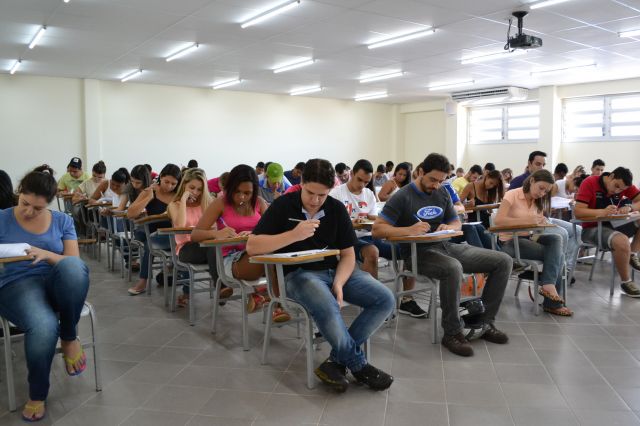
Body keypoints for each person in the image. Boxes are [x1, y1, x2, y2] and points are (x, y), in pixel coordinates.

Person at [247, 158, 395, 392]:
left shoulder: (335, 208)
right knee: (327, 304)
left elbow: (348, 254)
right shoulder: (283, 205)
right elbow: (252, 246)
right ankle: (359, 365)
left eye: (322, 195)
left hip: (335, 271)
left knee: (385, 299)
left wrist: (339, 283)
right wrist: (293, 235)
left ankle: (335, 362)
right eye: (310, 193)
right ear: (301, 183)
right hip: (299, 275)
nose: (315, 201)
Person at [372, 153, 512, 357]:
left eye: (441, 180)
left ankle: (484, 323)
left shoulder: (443, 192)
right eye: (432, 179)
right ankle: (452, 332)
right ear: (420, 172)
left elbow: (456, 222)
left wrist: (450, 226)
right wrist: (408, 230)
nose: (436, 185)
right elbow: (377, 229)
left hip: (445, 246)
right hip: (417, 254)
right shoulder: (402, 196)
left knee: (503, 261)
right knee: (452, 268)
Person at [0, 165, 89, 422]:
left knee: (73, 267)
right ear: (19, 192)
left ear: (49, 203)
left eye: (38, 208)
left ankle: (69, 336)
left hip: (55, 281)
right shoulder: (2, 218)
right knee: (43, 325)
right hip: (17, 283)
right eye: (25, 203)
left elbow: (73, 261)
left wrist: (46, 254)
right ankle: (37, 393)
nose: (29, 212)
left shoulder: (62, 221)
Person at [191, 164, 290, 322]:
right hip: (231, 260)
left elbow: (273, 231)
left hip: (257, 256)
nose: (242, 197)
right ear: (230, 188)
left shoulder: (259, 203)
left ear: (254, 191)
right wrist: (216, 234)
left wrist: (254, 234)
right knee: (269, 256)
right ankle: (271, 300)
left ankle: (264, 296)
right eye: (237, 191)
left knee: (279, 256)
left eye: (247, 193)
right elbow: (195, 235)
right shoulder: (220, 203)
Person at [495, 170, 573, 316]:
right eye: (541, 188)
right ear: (532, 181)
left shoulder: (538, 201)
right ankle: (551, 300)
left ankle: (548, 287)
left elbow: (536, 223)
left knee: (556, 238)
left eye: (546, 191)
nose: (542, 193)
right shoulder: (512, 194)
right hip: (511, 242)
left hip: (529, 238)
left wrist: (542, 223)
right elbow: (498, 221)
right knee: (559, 257)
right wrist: (526, 221)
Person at [508, 151, 581, 281]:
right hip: (528, 222)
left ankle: (565, 268)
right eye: (538, 164)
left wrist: (547, 209)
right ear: (529, 163)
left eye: (543, 165)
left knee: (577, 230)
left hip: (543, 217)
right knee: (562, 233)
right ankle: (557, 271)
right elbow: (510, 207)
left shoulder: (545, 181)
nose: (541, 167)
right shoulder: (518, 181)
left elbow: (544, 205)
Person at [575, 166, 640, 297]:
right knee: (621, 241)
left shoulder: (624, 185)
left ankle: (632, 254)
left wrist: (629, 207)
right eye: (616, 186)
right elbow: (578, 211)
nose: (617, 191)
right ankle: (626, 282)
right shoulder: (590, 182)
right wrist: (602, 212)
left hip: (615, 224)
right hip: (592, 228)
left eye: (621, 190)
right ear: (611, 176)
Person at [127, 164, 181, 295]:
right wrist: (148, 198)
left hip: (172, 235)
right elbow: (130, 214)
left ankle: (148, 279)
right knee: (149, 242)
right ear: (160, 177)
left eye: (173, 184)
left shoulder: (178, 195)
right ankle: (143, 281)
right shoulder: (150, 191)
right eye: (166, 182)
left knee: (149, 243)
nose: (169, 186)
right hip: (151, 233)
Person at [166, 168, 216, 307]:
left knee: (216, 249)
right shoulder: (174, 205)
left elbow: (214, 226)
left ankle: (221, 287)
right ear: (184, 185)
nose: (195, 192)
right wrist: (183, 199)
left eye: (200, 189)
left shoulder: (206, 203)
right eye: (192, 188)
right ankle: (221, 286)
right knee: (213, 250)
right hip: (185, 249)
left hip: (205, 245)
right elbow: (180, 225)